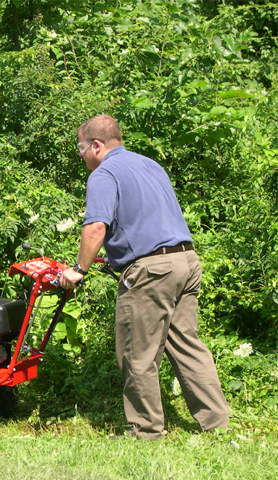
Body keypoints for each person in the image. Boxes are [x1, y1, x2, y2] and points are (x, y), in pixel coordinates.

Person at [59, 114, 230, 439]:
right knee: (187, 345)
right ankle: (217, 426)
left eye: (81, 149)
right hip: (186, 261)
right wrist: (119, 258)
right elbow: (149, 221)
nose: (81, 155)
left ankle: (144, 431)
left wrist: (79, 269)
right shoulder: (150, 165)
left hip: (152, 272)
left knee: (136, 352)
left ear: (97, 145)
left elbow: (96, 227)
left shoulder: (103, 173)